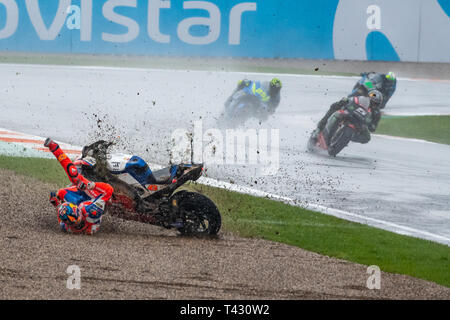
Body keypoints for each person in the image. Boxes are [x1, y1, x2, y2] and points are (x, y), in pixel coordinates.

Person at [44, 138, 113, 235]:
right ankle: (53, 146)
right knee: (74, 176)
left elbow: (61, 216)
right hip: (94, 197)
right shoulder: (90, 211)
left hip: (82, 198)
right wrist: (90, 185)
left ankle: (54, 148)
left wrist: (56, 205)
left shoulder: (67, 227)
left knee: (59, 194)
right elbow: (109, 190)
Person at [312, 89, 383, 142]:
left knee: (367, 138)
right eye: (371, 101)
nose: (372, 104)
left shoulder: (376, 114)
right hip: (350, 113)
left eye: (375, 103)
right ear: (367, 98)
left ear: (378, 105)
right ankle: (319, 128)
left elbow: (373, 127)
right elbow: (350, 100)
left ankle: (346, 138)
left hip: (360, 124)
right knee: (334, 107)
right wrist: (344, 101)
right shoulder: (359, 99)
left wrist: (369, 125)